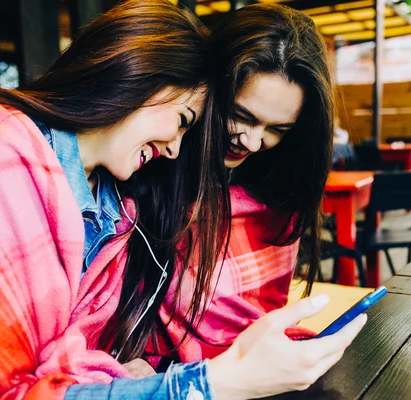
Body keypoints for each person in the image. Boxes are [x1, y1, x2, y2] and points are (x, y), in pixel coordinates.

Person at [0, 1, 365, 399]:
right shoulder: (4, 155)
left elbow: (74, 353)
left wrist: (133, 373)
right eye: (187, 120)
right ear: (139, 77)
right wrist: (199, 381)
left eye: (279, 129)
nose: (253, 141)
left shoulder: (112, 208)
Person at [143, 2, 367, 374]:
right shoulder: (152, 167)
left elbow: (266, 314)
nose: (251, 140)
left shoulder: (278, 196)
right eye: (240, 115)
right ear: (209, 88)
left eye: (278, 129)